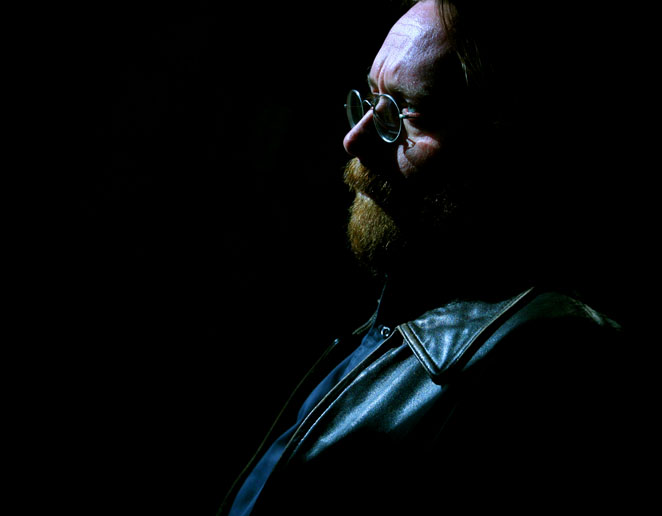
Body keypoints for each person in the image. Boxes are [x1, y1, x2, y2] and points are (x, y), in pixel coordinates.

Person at [219, 1, 640, 513]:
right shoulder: (384, 317)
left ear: (503, 138)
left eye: (402, 112)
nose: (355, 140)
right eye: (370, 99)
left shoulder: (549, 360)